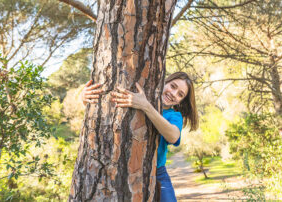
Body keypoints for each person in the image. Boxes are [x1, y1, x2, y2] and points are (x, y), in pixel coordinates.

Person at [81, 72, 199, 202]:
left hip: (157, 172)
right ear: (165, 82)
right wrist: (83, 97)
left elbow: (173, 136)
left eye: (180, 94)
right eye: (173, 86)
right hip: (118, 167)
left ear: (181, 101)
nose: (174, 94)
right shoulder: (141, 95)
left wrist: (146, 106)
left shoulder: (174, 116)